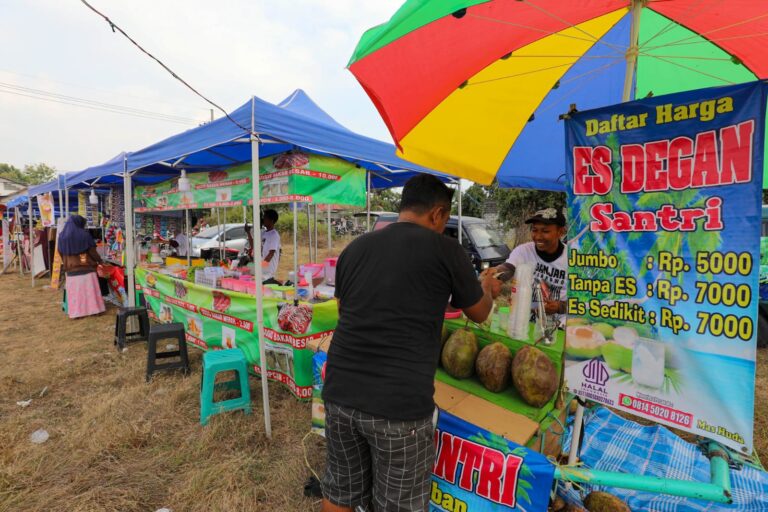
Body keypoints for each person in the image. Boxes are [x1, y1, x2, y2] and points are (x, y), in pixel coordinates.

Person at [321, 174, 500, 512]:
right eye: (445, 219)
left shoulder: (356, 247)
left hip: (340, 391)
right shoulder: (446, 249)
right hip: (398, 405)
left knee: (340, 491)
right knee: (398, 504)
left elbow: (345, 310)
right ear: (438, 213)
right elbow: (478, 313)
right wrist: (488, 289)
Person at [492, 207, 567, 315]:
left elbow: (585, 302)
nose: (538, 237)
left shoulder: (573, 259)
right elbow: (508, 268)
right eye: (534, 230)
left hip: (561, 322)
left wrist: (560, 307)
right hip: (525, 318)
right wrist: (495, 274)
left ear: (561, 232)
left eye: (545, 231)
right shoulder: (523, 251)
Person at [59, 215, 105, 319]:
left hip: (71, 270)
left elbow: (60, 252)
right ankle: (94, 310)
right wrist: (99, 261)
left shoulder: (62, 237)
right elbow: (92, 251)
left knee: (76, 294)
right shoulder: (84, 235)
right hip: (86, 268)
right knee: (90, 292)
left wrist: (67, 262)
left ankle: (77, 312)